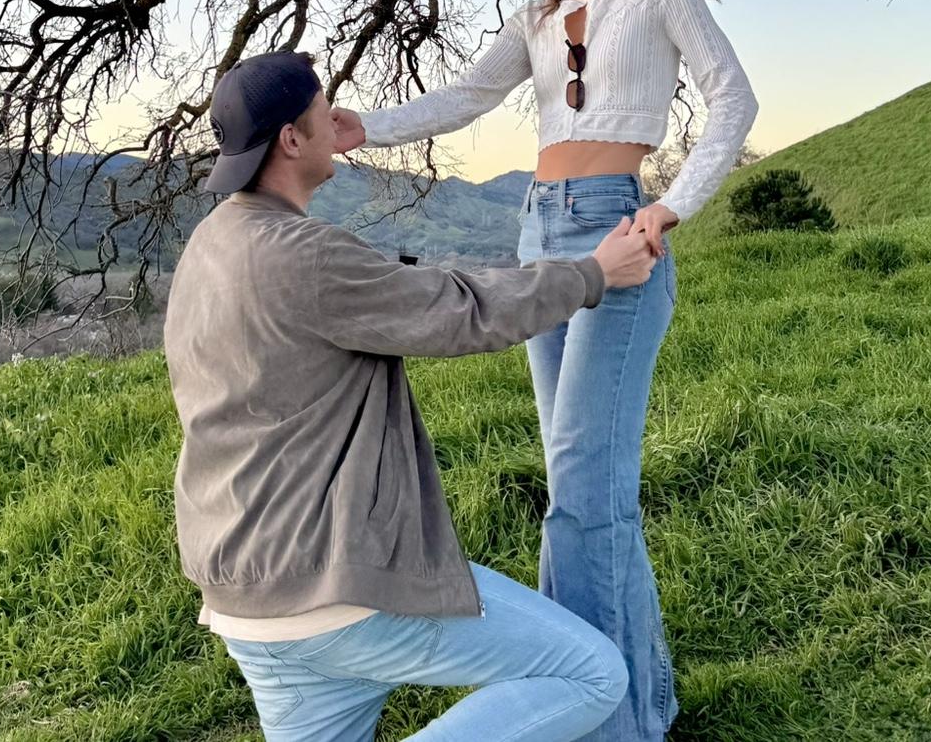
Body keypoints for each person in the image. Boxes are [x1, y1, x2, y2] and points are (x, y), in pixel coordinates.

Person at [336, 0, 759, 741]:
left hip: (617, 226)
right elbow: (466, 96)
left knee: (581, 488)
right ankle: (637, 704)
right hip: (538, 233)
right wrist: (364, 127)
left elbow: (734, 99)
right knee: (588, 489)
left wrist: (670, 208)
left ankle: (600, 714)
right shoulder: (534, 19)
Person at [165, 49, 665, 742]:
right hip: (337, 594)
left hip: (245, 601)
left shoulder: (212, 244)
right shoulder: (303, 255)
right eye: (322, 112)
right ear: (291, 140)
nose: (336, 119)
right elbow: (459, 310)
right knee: (590, 674)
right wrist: (592, 273)